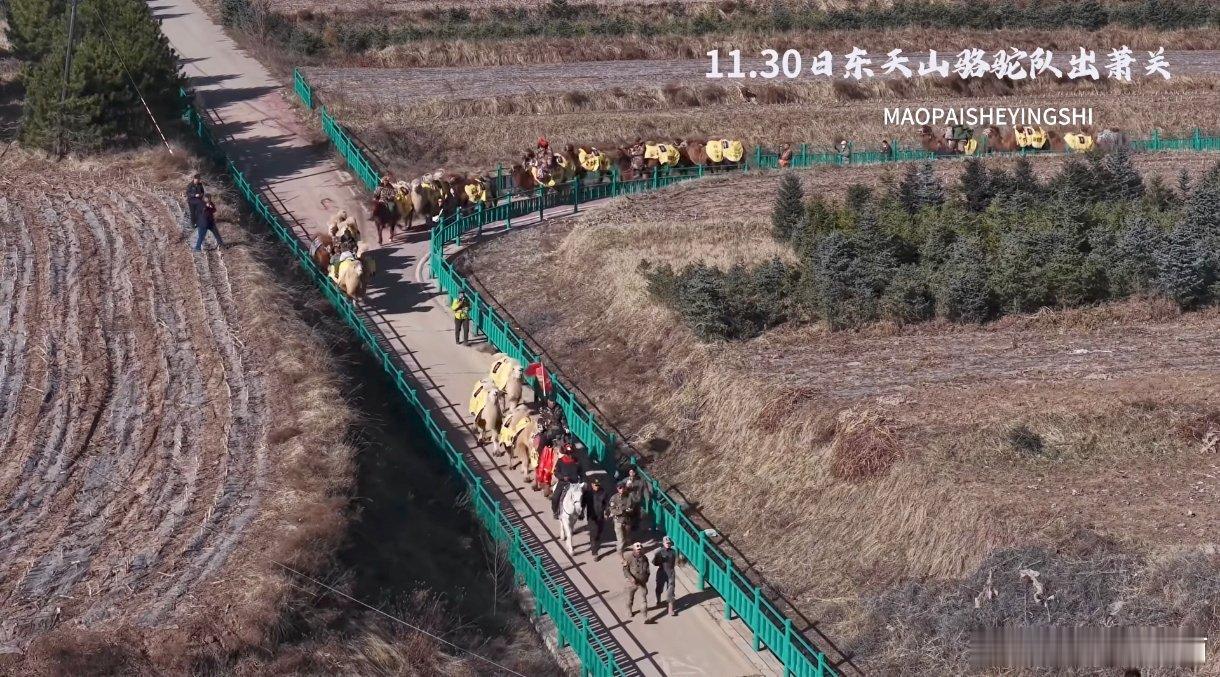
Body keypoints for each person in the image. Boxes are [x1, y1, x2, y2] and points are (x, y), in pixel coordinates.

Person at [550, 443, 583, 519]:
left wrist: (581, 479)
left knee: (584, 496)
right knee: (555, 497)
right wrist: (562, 477)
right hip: (563, 483)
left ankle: (581, 512)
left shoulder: (576, 461)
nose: (570, 455)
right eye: (568, 453)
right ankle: (555, 511)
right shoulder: (560, 461)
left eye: (571, 453)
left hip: (575, 483)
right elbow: (556, 472)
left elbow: (581, 472)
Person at [581, 477, 609, 559]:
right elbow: (583, 504)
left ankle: (596, 542)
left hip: (600, 516)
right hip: (591, 517)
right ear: (592, 485)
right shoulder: (587, 493)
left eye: (598, 485)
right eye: (595, 485)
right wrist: (581, 512)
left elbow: (607, 503)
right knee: (594, 533)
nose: (597, 486)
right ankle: (595, 552)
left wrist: (606, 512)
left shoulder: (603, 492)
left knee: (599, 532)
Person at [622, 542, 650, 618]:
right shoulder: (628, 557)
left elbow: (647, 570)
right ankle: (629, 610)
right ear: (634, 550)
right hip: (631, 583)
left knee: (644, 599)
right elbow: (625, 570)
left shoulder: (644, 558)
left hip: (642, 583)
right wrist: (631, 578)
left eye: (640, 549)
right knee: (629, 600)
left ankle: (645, 616)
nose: (639, 551)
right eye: (637, 549)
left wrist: (646, 578)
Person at [652, 536, 677, 616]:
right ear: (663, 543)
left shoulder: (673, 552)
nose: (668, 544)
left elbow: (674, 561)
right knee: (659, 588)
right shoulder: (660, 551)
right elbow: (655, 563)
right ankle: (658, 600)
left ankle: (670, 609)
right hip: (661, 572)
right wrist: (657, 557)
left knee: (671, 591)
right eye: (666, 543)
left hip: (670, 573)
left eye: (669, 543)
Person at [608, 483, 632, 555]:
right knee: (620, 539)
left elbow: (630, 506)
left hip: (626, 519)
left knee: (626, 537)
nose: (621, 489)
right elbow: (612, 509)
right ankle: (620, 553)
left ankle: (622, 548)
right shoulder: (614, 498)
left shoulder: (628, 496)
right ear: (617, 489)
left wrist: (622, 509)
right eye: (620, 488)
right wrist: (621, 510)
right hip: (618, 520)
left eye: (623, 487)